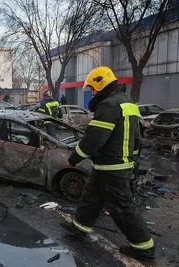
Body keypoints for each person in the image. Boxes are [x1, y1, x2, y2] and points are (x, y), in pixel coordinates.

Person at [60, 66, 154, 261]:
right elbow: (137, 137)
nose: (92, 93)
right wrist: (133, 159)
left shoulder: (108, 105)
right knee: (91, 197)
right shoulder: (127, 103)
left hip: (112, 167)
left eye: (93, 89)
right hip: (110, 165)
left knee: (121, 208)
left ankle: (144, 247)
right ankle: (80, 227)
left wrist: (74, 158)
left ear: (101, 84)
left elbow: (94, 138)